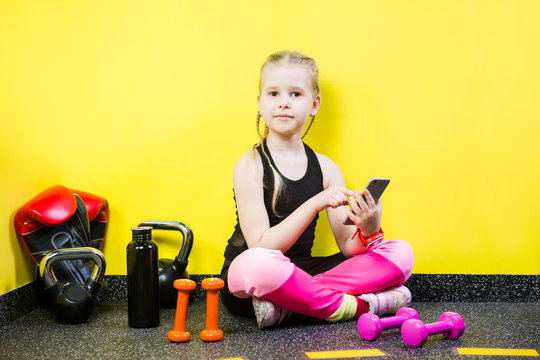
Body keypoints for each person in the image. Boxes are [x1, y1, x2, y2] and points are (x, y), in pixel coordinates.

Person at [219, 50, 414, 328]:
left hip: (302, 273)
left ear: (314, 104)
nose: (284, 103)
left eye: (296, 94)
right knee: (254, 264)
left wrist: (369, 228)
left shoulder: (326, 168)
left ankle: (289, 306)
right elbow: (263, 246)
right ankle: (355, 306)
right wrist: (315, 203)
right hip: (253, 276)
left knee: (401, 253)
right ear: (260, 103)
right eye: (274, 94)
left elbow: (349, 248)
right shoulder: (249, 165)